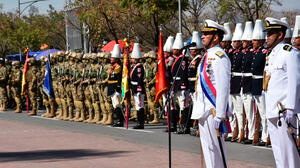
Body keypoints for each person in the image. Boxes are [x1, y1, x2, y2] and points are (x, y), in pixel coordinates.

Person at [191, 19, 231, 168]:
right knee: (209, 152)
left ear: (215, 37)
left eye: (206, 34)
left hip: (213, 112)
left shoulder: (220, 57)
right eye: (202, 33)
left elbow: (222, 87)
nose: (202, 36)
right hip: (204, 111)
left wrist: (220, 115)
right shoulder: (206, 56)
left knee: (215, 152)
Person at [263, 17, 300, 167]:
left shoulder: (289, 53)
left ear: (280, 35)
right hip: (272, 110)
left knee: (289, 153)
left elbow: (295, 81)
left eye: (270, 33)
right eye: (267, 33)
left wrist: (291, 107)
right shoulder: (271, 54)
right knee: (278, 153)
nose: (267, 37)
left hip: (284, 111)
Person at [251, 19, 268, 146]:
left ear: (261, 41)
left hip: (261, 85)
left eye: (255, 40)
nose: (253, 42)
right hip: (255, 85)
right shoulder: (256, 53)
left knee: (264, 113)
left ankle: (265, 136)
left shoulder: (264, 53)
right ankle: (262, 135)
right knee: (259, 113)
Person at [228, 23, 244, 142]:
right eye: (233, 41)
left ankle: (241, 131)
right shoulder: (231, 53)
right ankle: (233, 130)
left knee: (240, 110)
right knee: (232, 110)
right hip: (232, 83)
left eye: (236, 41)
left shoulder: (242, 53)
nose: (234, 44)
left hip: (240, 83)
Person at [240, 21, 255, 144]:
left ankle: (251, 135)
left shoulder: (252, 53)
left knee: (251, 113)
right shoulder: (244, 53)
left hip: (250, 83)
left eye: (245, 41)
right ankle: (245, 133)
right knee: (243, 112)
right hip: (243, 83)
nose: (242, 43)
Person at [130, 43, 146, 129]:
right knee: (137, 105)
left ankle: (141, 123)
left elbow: (139, 79)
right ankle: (139, 122)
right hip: (134, 88)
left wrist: (139, 89)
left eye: (132, 58)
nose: (131, 59)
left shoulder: (139, 67)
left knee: (140, 106)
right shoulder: (135, 66)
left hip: (138, 88)